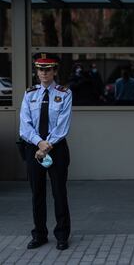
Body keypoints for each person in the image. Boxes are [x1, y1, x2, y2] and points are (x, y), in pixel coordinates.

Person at [20, 53, 72, 251]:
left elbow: (62, 126)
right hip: (34, 149)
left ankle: (62, 235)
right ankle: (39, 234)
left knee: (59, 193)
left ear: (55, 71)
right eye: (40, 69)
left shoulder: (65, 93)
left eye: (48, 69)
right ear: (37, 71)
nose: (44, 73)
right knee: (37, 194)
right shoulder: (29, 93)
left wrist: (46, 145)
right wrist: (39, 143)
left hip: (56, 150)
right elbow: (25, 125)